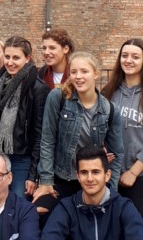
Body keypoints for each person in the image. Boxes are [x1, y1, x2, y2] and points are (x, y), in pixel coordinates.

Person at [37, 51, 123, 203]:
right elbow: (47, 141)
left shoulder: (109, 109)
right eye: (73, 72)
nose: (78, 76)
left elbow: (117, 153)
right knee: (45, 212)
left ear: (95, 74)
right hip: (62, 177)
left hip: (92, 180)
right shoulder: (58, 98)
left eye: (84, 71)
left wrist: (111, 189)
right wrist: (46, 180)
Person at [105, 37, 143, 226]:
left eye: (135, 57)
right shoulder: (108, 93)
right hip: (110, 174)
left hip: (141, 176)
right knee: (111, 229)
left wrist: (133, 172)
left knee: (136, 230)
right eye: (124, 56)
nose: (128, 60)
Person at [0, 36, 48, 197]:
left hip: (22, 159)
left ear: (27, 58)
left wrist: (33, 175)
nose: (10, 62)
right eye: (7, 57)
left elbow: (39, 134)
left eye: (16, 58)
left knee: (18, 204)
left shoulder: (38, 88)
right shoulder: (0, 82)